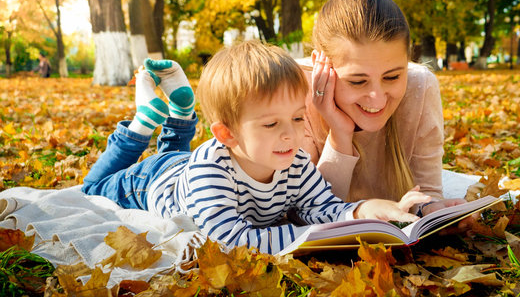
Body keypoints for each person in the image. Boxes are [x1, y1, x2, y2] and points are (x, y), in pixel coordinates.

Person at [82, 41, 430, 255]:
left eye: (297, 118)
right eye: (271, 124)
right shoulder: (211, 174)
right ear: (228, 134)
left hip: (188, 163)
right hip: (153, 180)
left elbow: (322, 207)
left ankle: (178, 117)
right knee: (91, 189)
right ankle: (142, 124)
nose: (291, 136)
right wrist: (311, 235)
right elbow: (231, 241)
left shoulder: (292, 160)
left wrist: (365, 211)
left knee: (172, 151)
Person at [301, 0, 467, 219]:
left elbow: (428, 191)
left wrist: (430, 209)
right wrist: (339, 133)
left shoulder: (420, 86)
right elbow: (307, 211)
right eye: (358, 81)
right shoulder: (295, 93)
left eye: (392, 77)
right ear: (322, 68)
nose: (377, 98)